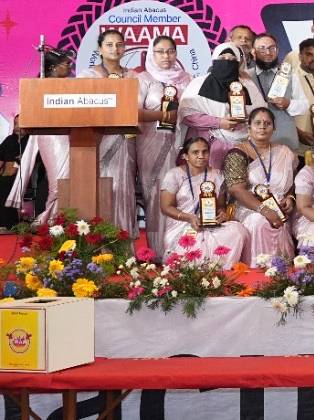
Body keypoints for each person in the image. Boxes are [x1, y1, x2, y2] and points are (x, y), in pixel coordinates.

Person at [135, 35, 191, 261]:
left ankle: (183, 250)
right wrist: (163, 115)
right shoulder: (143, 79)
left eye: (170, 51)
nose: (166, 56)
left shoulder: (187, 78)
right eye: (160, 51)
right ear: (151, 53)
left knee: (183, 194)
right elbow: (134, 112)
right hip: (152, 143)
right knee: (156, 194)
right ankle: (159, 251)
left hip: (183, 144)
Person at [6, 47, 75, 222]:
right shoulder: (39, 87)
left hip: (70, 135)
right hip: (51, 136)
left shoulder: (71, 86)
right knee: (59, 180)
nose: (70, 67)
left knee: (68, 180)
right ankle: (53, 220)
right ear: (52, 67)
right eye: (67, 64)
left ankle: (63, 220)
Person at [225, 107, 299, 262]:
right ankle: (256, 267)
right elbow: (236, 190)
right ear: (249, 127)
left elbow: (293, 181)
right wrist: (264, 210)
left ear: (274, 128)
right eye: (257, 123)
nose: (262, 127)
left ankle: (280, 270)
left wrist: (290, 197)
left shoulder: (285, 152)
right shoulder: (238, 153)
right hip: (249, 207)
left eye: (267, 123)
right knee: (259, 221)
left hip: (279, 207)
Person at [158, 136, 249, 262]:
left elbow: (220, 205)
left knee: (238, 231)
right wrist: (190, 218)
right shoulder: (174, 175)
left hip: (210, 223)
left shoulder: (217, 175)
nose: (201, 156)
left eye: (205, 151)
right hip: (182, 224)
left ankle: (219, 267)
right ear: (186, 156)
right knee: (191, 248)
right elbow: (166, 207)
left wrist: (222, 213)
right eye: (195, 152)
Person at [85, 29, 139, 235]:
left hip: (126, 139)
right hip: (98, 139)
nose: (115, 49)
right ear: (99, 49)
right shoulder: (87, 76)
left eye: (119, 44)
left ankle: (122, 241)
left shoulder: (133, 76)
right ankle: (97, 241)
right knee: (101, 188)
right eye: (109, 45)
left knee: (124, 188)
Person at [179, 44, 265, 168]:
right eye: (222, 58)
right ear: (214, 60)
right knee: (207, 179)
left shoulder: (248, 85)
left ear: (238, 62)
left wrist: (247, 120)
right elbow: (186, 114)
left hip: (242, 145)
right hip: (207, 145)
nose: (227, 62)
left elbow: (261, 113)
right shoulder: (198, 84)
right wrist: (218, 123)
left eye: (232, 59)